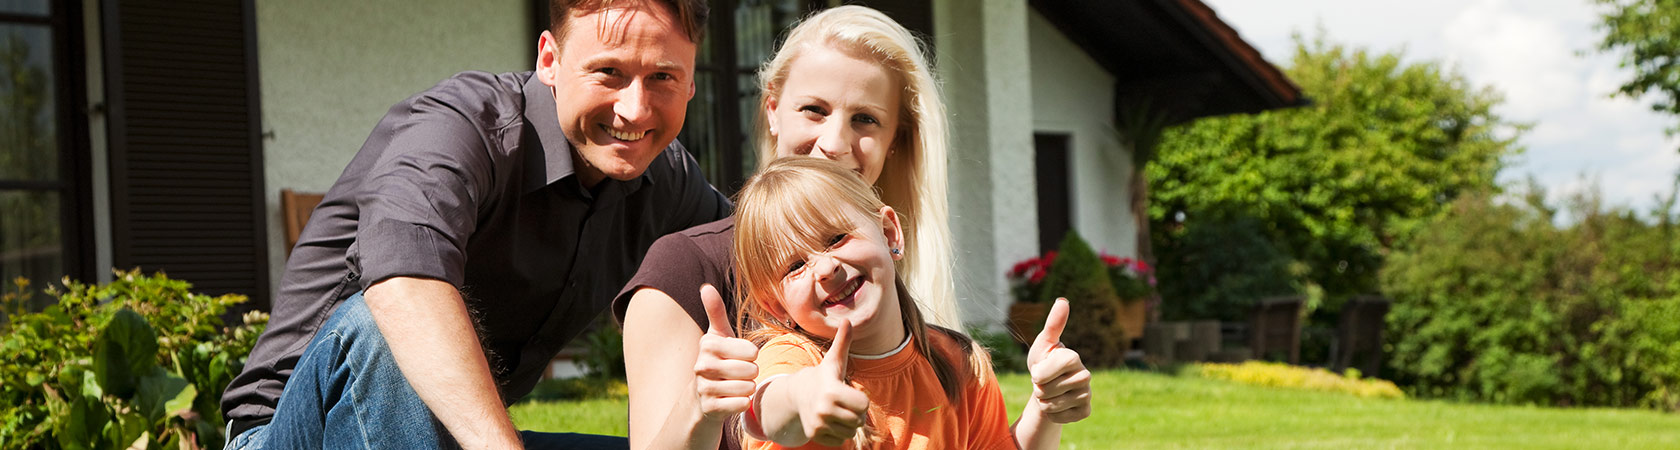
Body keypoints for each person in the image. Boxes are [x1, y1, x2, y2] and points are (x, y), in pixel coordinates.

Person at [219, 0, 724, 448]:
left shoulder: (668, 178)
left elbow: (751, 251)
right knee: (385, 324)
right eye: (608, 72)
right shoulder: (462, 126)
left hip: (447, 439)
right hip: (287, 433)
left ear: (691, 80)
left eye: (663, 77)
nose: (635, 109)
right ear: (549, 60)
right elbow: (403, 287)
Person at [614, 6, 957, 449]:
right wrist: (699, 407)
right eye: (814, 110)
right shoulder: (686, 268)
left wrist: (1039, 413)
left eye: (865, 119)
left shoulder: (887, 277)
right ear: (773, 111)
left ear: (894, 141)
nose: (833, 144)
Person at [724, 157, 1092, 449]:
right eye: (795, 266)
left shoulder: (960, 363)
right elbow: (767, 406)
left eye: (836, 238)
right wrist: (801, 397)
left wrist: (1046, 408)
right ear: (776, 306)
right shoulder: (794, 358)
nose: (825, 268)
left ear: (889, 233)